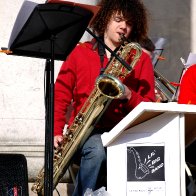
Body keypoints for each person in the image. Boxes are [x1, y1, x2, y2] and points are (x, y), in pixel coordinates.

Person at [54, 0, 156, 195]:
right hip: (86, 132)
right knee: (98, 148)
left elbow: (149, 104)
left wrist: (128, 95)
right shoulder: (80, 52)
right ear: (104, 20)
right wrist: (56, 131)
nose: (123, 27)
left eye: (129, 23)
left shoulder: (140, 59)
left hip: (125, 132)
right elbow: (61, 93)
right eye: (118, 20)